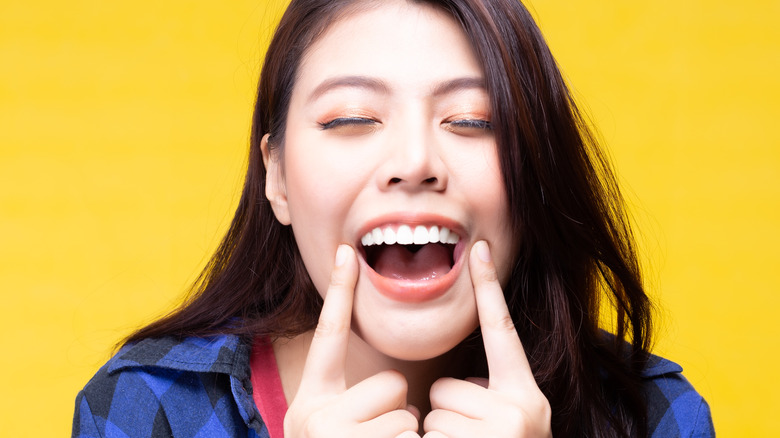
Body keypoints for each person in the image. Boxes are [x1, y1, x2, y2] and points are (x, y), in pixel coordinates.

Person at [72, 0, 714, 437]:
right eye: (350, 118)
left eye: (473, 121)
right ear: (278, 178)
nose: (414, 161)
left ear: (534, 173)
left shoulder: (656, 416)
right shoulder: (146, 409)